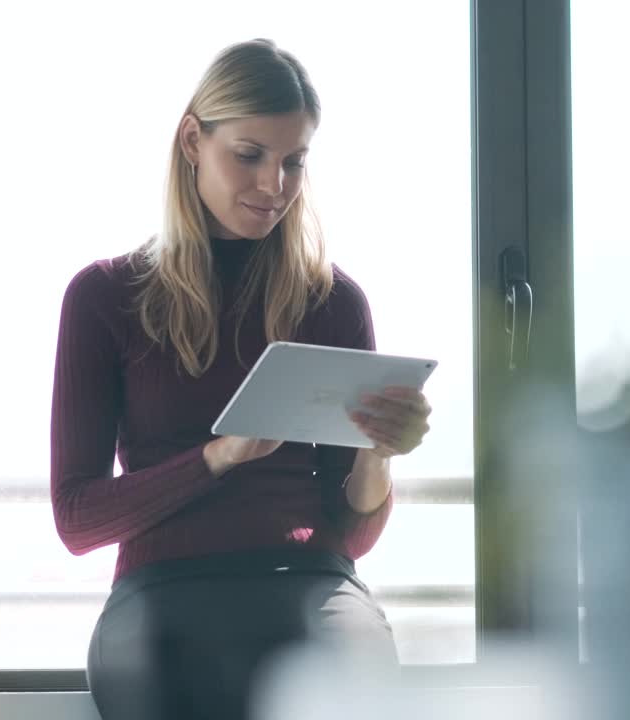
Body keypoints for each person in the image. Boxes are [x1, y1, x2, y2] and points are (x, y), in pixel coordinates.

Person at [49, 38, 431, 720]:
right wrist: (217, 457)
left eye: (294, 162)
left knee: (352, 676)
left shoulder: (334, 302)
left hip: (312, 583)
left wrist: (377, 455)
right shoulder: (105, 296)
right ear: (194, 141)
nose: (273, 186)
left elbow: (350, 534)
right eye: (249, 156)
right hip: (164, 593)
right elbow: (78, 520)